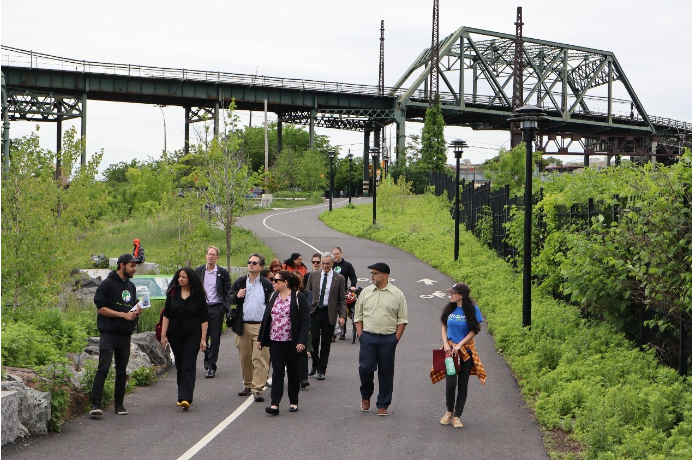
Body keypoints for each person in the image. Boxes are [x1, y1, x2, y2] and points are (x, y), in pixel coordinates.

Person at [89, 253, 142, 417]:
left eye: (135, 266)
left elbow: (130, 307)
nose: (134, 269)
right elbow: (101, 308)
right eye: (131, 266)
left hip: (124, 335)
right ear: (122, 265)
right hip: (109, 333)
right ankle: (95, 404)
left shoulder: (131, 286)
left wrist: (136, 310)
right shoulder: (107, 284)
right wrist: (122, 315)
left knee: (122, 370)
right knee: (103, 367)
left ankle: (119, 404)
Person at [354, 262, 408, 416]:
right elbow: (358, 316)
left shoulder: (397, 294)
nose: (372, 276)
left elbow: (402, 319)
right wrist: (361, 335)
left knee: (385, 372)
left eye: (375, 273)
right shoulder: (366, 292)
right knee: (365, 369)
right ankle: (366, 395)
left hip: (388, 339)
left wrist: (395, 338)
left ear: (385, 275)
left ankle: (383, 403)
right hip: (368, 337)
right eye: (371, 273)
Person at [258, 271, 310, 415]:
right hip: (276, 341)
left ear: (285, 282)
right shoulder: (273, 296)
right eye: (273, 280)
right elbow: (266, 318)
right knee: (277, 373)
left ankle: (294, 401)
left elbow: (305, 321)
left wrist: (301, 341)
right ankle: (275, 404)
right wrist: (260, 339)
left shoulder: (298, 297)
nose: (273, 282)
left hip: (292, 342)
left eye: (276, 280)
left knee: (293, 373)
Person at [160, 268, 208, 410]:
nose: (180, 279)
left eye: (184, 277)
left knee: (188, 363)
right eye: (179, 276)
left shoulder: (198, 295)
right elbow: (167, 314)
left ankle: (186, 397)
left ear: (190, 279)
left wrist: (203, 339)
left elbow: (204, 319)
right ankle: (181, 393)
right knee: (180, 364)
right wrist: (163, 335)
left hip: (193, 335)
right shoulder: (173, 293)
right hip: (175, 335)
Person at [439, 282, 486, 428]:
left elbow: (475, 330)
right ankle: (449, 411)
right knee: (451, 383)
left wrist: (460, 344)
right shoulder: (450, 308)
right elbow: (444, 326)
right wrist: (446, 344)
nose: (450, 295)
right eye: (450, 293)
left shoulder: (472, 309)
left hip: (466, 351)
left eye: (453, 293)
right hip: (449, 352)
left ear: (461, 295)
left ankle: (457, 416)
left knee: (463, 384)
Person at [230, 253, 274, 402]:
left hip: (260, 325)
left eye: (254, 263)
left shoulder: (267, 285)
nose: (251, 264)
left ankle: (258, 388)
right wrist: (237, 294)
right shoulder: (240, 282)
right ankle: (248, 385)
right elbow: (229, 298)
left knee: (260, 358)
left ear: (261, 267)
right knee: (245, 358)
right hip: (242, 326)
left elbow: (271, 304)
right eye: (249, 262)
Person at [306, 252, 346, 380]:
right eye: (323, 263)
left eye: (327, 263)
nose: (324, 266)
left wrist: (342, 316)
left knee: (326, 343)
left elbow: (342, 299)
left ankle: (322, 369)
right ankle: (315, 364)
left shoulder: (339, 278)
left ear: (332, 263)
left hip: (329, 313)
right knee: (314, 340)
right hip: (314, 311)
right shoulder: (313, 275)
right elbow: (307, 294)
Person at [195, 246, 232, 379]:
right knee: (203, 335)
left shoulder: (222, 272)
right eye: (209, 254)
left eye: (213, 255)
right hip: (202, 307)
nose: (210, 257)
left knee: (215, 337)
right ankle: (207, 356)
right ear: (206, 256)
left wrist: (225, 307)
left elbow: (228, 290)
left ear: (217, 257)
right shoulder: (199, 270)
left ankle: (211, 366)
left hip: (216, 308)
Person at [331, 246, 357, 340]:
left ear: (341, 253)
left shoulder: (347, 265)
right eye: (334, 254)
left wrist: (353, 286)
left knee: (343, 312)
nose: (336, 256)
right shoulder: (330, 265)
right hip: (331, 292)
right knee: (332, 313)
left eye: (337, 254)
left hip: (343, 292)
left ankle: (342, 331)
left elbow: (353, 277)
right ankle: (333, 334)